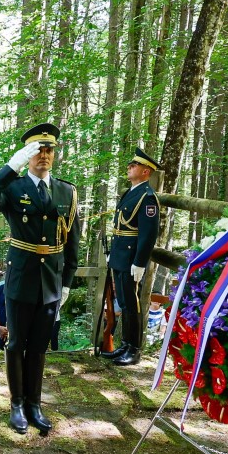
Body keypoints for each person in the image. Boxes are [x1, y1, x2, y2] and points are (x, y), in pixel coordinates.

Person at [0, 122, 80, 434]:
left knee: (39, 345)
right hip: (21, 278)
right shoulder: (13, 188)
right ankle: (17, 403)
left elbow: (72, 241)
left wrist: (67, 282)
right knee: (17, 343)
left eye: (48, 150)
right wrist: (12, 165)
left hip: (51, 281)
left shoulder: (66, 191)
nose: (44, 155)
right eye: (37, 150)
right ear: (28, 155)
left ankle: (35, 404)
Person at [100, 147, 161, 366]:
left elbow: (148, 234)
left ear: (146, 171)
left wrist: (140, 262)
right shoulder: (131, 192)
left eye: (134, 165)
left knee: (131, 304)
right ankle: (125, 344)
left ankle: (134, 349)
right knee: (124, 302)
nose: (129, 167)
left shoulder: (148, 197)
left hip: (131, 258)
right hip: (120, 255)